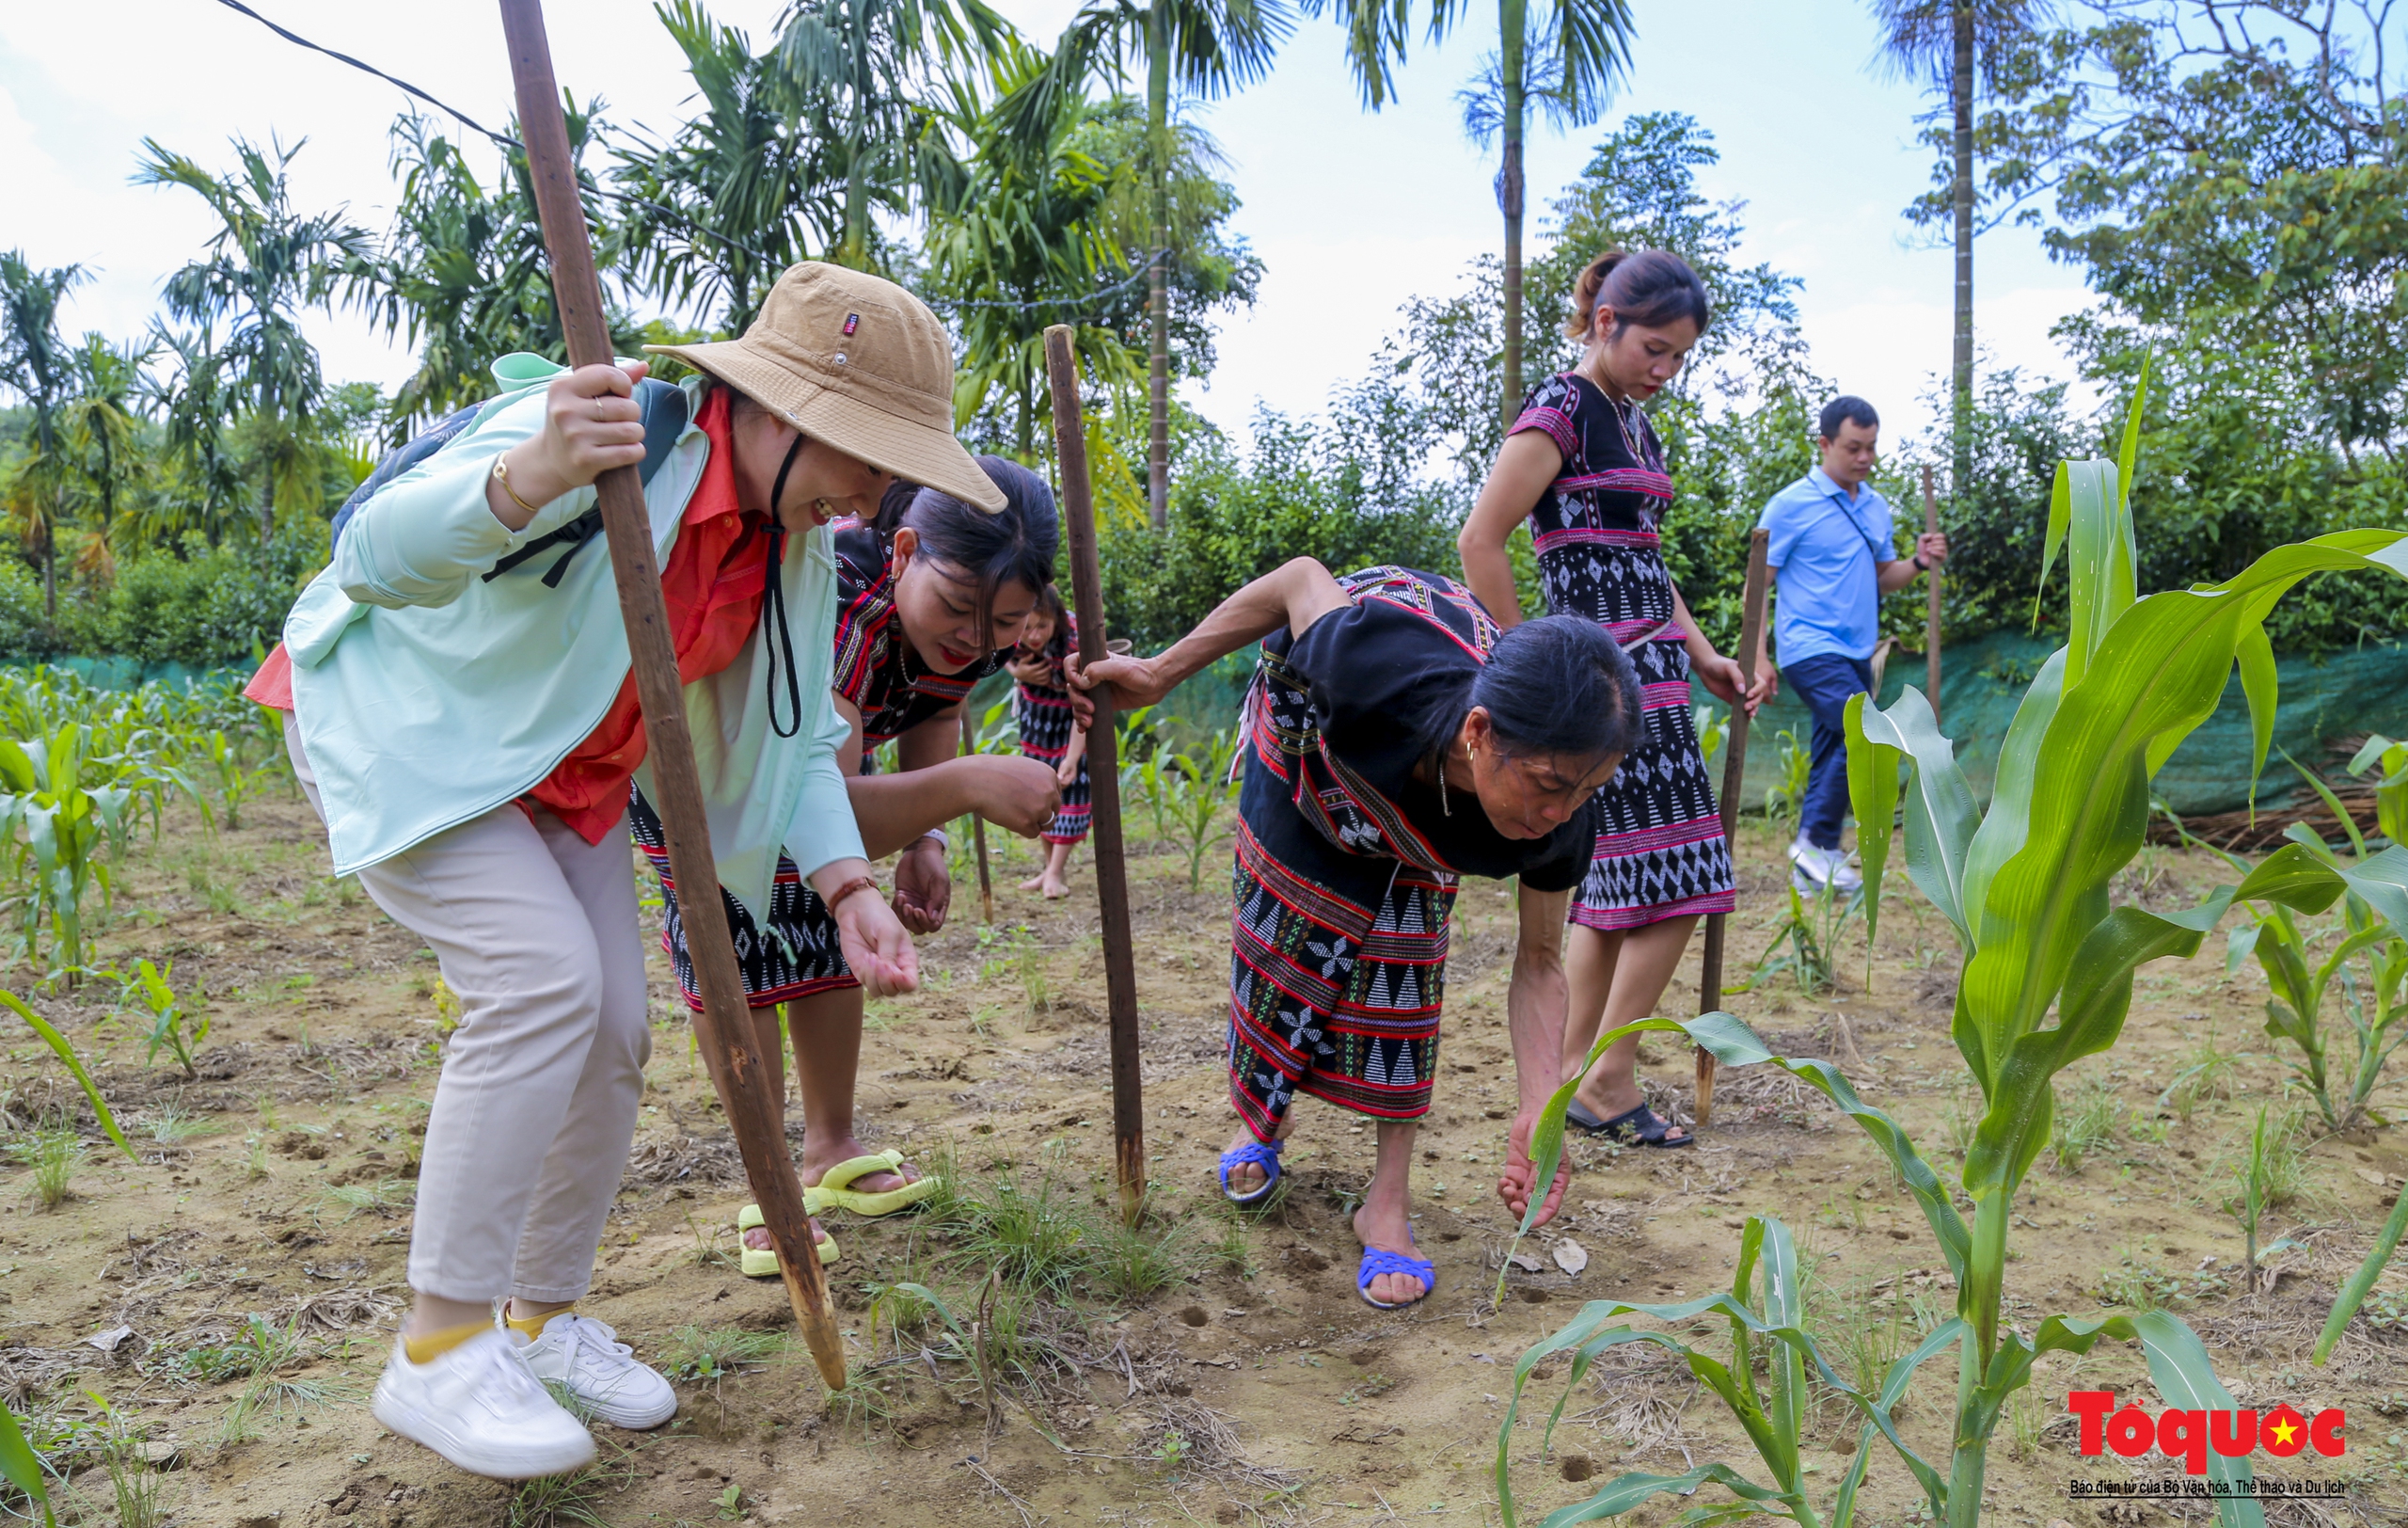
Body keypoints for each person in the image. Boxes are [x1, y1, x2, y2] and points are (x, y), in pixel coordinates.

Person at [244, 262, 970, 1480]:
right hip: (417, 731)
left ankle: (540, 1320)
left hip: (564, 776)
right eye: (866, 453)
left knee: (617, 1023)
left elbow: (791, 746)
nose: (874, 490)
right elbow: (369, 553)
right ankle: (438, 1346)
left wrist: (847, 890)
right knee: (541, 985)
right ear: (784, 415)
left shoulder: (788, 556)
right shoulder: (605, 425)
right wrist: (527, 476)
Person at [1077, 560, 1642, 1309]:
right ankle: (1262, 1123)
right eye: (1546, 784)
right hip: (1314, 745)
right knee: (1277, 935)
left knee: (1405, 966)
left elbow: (1540, 962)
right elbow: (1298, 579)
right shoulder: (1369, 667)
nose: (1560, 813)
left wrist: (1541, 1106)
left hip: (1427, 809)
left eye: (1587, 790)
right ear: (1480, 733)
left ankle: (1388, 1201)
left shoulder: (1559, 821)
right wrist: (1159, 672)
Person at [637, 461, 1064, 1277]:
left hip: (819, 774)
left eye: (1004, 623)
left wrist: (926, 840)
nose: (976, 639)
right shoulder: (833, 601)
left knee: (833, 934)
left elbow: (939, 702)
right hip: (715, 774)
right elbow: (808, 791)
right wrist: (965, 787)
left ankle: (830, 1143)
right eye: (957, 609)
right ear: (903, 551)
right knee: (741, 949)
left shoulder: (976, 616)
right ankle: (771, 1186)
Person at [1457, 248, 1768, 1152]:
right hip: (1598, 680)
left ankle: (1568, 1076)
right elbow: (1483, 540)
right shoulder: (1561, 410)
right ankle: (1608, 1077)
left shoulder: (1635, 426)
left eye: (1680, 357)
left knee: (1620, 883)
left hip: (1656, 677)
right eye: (1655, 350)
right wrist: (1533, 663)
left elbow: (1644, 564)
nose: (1665, 370)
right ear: (1606, 324)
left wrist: (1705, 653)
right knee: (1690, 876)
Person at [1751, 395, 1947, 893]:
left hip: (1858, 649)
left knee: (1836, 746)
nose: (1864, 458)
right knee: (1864, 730)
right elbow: (1759, 584)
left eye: (1871, 448)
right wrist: (1757, 657)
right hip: (1808, 646)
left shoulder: (1876, 506)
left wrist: (1920, 562)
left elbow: (1884, 578)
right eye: (1853, 448)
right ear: (1825, 444)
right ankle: (1814, 842)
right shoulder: (1791, 504)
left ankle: (1815, 863)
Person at [1007, 584, 1091, 899]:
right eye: (1026, 627)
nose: (1034, 635)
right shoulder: (1010, 626)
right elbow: (992, 652)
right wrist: (1018, 671)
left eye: (1042, 626)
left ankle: (1055, 873)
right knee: (1038, 794)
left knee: (1070, 791)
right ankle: (1048, 869)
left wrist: (1071, 757)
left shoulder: (1074, 642)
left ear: (1056, 619)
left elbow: (1083, 706)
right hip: (1036, 719)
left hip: (1072, 721)